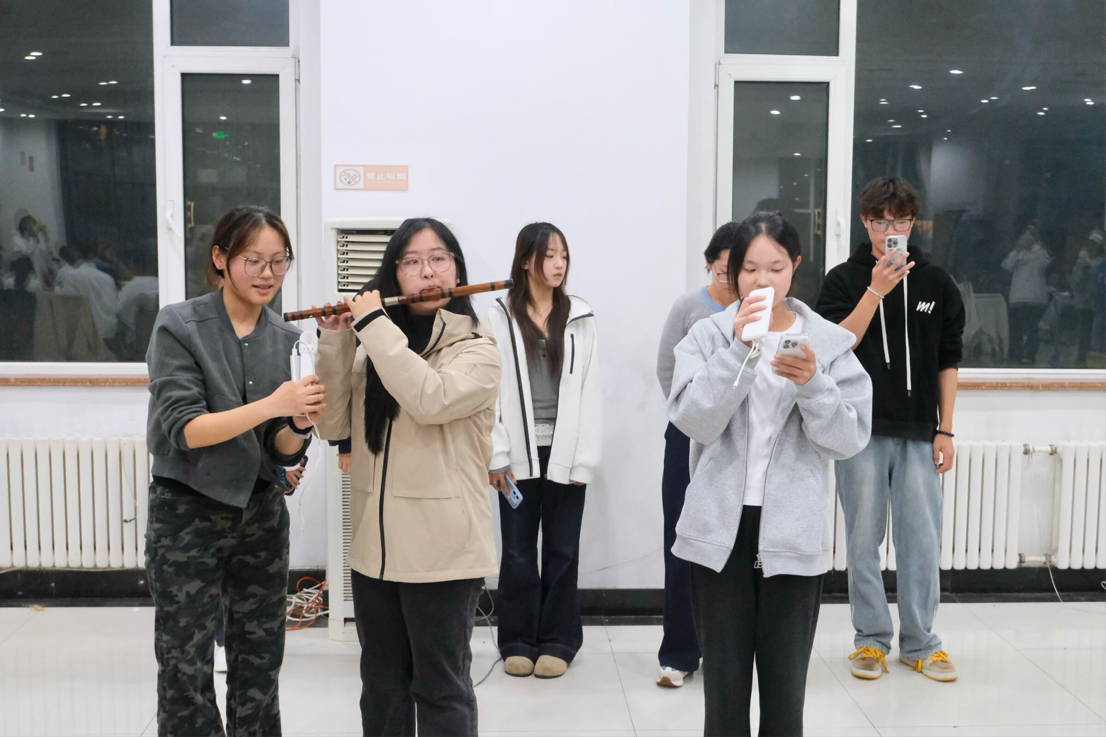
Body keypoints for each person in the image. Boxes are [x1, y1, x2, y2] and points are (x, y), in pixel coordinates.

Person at [669, 211, 872, 737]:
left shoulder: (827, 342)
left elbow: (848, 438)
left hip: (792, 533)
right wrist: (739, 350)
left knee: (785, 698)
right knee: (724, 696)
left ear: (795, 266)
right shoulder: (709, 336)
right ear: (733, 272)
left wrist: (813, 384)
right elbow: (694, 420)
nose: (763, 280)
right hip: (720, 531)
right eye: (750, 269)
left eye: (776, 268)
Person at [312, 217, 500, 737]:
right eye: (412, 262)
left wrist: (372, 326)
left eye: (438, 259)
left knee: (440, 687)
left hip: (443, 554)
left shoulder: (477, 349)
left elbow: (428, 398)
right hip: (374, 550)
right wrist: (335, 341)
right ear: (394, 274)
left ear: (456, 268)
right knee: (381, 686)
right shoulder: (374, 347)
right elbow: (332, 425)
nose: (427, 272)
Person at [144, 205, 319, 735]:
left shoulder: (288, 339)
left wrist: (300, 423)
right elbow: (186, 429)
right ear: (220, 258)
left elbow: (280, 451)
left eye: (279, 261)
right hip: (186, 511)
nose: (268, 274)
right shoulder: (179, 325)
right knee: (185, 661)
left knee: (260, 658)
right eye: (253, 260)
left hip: (260, 514)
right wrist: (274, 405)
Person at [816, 177, 965, 683]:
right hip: (858, 430)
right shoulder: (842, 280)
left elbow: (948, 359)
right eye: (880, 221)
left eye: (899, 221)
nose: (890, 230)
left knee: (921, 540)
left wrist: (946, 429)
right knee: (862, 539)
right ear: (865, 222)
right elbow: (835, 344)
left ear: (913, 222)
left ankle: (921, 642)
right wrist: (876, 289)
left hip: (921, 430)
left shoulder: (936, 282)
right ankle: (871, 640)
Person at [488, 222, 602, 680]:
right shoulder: (498, 316)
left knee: (562, 549)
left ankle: (558, 640)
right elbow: (487, 392)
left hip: (565, 449)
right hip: (517, 450)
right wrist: (495, 454)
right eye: (548, 255)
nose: (558, 264)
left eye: (563, 256)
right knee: (517, 550)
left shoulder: (580, 315)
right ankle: (517, 640)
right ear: (524, 261)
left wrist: (584, 457)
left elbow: (591, 388)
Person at [652, 222, 739, 688]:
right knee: (681, 540)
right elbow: (667, 369)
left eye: (739, 270)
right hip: (687, 436)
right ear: (709, 265)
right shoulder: (688, 307)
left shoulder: (758, 311)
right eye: (724, 270)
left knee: (731, 547)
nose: (732, 279)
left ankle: (726, 652)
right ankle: (679, 653)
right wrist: (695, 415)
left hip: (738, 442)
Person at [1002, 227, 1051, 364]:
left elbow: (1044, 263)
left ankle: (1029, 354)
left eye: (1031, 236)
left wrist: (1034, 247)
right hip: (1017, 298)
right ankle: (1015, 352)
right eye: (1025, 235)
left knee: (1032, 328)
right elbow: (1007, 266)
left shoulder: (1041, 252)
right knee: (1016, 328)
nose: (1027, 238)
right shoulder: (1018, 253)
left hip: (1035, 298)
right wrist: (1018, 249)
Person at [57, 244, 121, 343]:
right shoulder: (107, 278)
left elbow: (68, 306)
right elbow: (115, 306)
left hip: (87, 333)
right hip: (110, 330)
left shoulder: (72, 276)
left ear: (75, 255)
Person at [1071, 229, 1105, 364]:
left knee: (1097, 334)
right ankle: (1082, 358)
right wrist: (1083, 274)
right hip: (1084, 304)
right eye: (1091, 244)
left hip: (1099, 305)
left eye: (1095, 244)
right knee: (1084, 332)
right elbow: (1074, 283)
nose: (1092, 247)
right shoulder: (1081, 263)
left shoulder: (1102, 263)